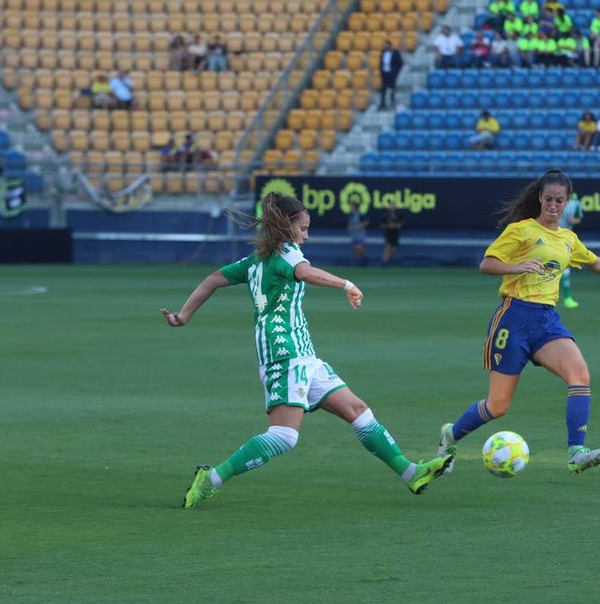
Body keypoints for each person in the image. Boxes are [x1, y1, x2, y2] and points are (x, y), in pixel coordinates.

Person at [164, 192, 454, 507]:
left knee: (357, 411)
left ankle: (411, 473)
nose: (306, 235)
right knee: (284, 436)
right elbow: (304, 272)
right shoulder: (287, 253)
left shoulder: (255, 261)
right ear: (287, 227)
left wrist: (184, 316)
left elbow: (211, 280)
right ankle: (211, 478)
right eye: (303, 228)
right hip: (284, 353)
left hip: (302, 355)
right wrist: (346, 284)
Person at [434, 171, 600, 475]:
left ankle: (576, 452)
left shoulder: (568, 238)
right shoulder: (522, 230)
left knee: (580, 374)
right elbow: (486, 264)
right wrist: (518, 266)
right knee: (498, 405)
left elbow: (596, 262)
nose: (554, 205)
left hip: (546, 321)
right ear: (540, 198)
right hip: (514, 318)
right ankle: (450, 436)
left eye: (560, 200)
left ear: (568, 202)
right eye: (549, 199)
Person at [557, 188, 582, 309]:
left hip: (566, 238)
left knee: (565, 268)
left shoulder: (575, 203)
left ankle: (567, 298)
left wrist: (574, 220)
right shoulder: (553, 201)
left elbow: (578, 218)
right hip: (549, 234)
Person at [378, 40, 403, 110]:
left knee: (392, 88)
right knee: (383, 88)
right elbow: (381, 62)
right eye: (384, 45)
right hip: (384, 73)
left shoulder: (395, 52)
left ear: (389, 45)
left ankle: (393, 101)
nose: (385, 46)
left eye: (386, 45)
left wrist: (396, 71)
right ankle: (382, 103)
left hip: (392, 73)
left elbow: (400, 63)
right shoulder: (383, 53)